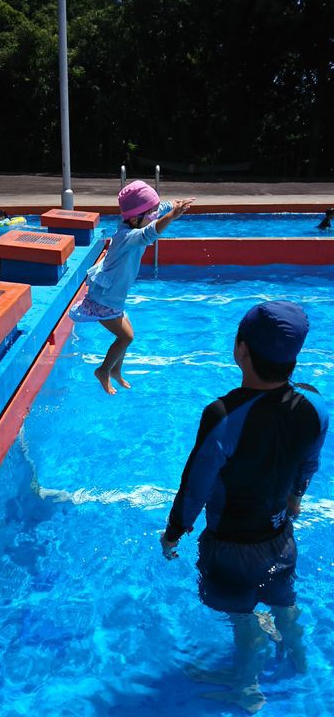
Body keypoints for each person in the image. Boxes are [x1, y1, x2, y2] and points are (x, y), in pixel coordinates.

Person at [160, 301, 329, 712]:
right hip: (280, 540)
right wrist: (295, 498)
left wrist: (174, 532)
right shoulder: (315, 406)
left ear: (240, 351)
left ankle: (246, 687)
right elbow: (309, 461)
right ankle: (298, 655)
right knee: (283, 601)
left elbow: (195, 486)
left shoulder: (222, 414)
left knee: (242, 618)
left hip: (230, 549)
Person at [69, 180, 194, 394]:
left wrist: (173, 204)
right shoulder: (127, 237)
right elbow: (149, 233)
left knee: (126, 336)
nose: (155, 215)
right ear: (136, 218)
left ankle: (116, 371)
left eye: (155, 212)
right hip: (103, 300)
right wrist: (172, 216)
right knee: (127, 337)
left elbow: (158, 208)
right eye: (152, 213)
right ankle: (103, 371)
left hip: (112, 297)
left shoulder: (134, 221)